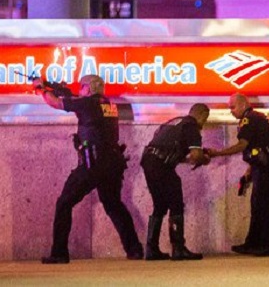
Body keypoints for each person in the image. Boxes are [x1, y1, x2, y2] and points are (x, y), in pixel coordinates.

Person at [32, 75, 143, 264]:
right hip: (112, 163)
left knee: (64, 203)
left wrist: (42, 89)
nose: (80, 91)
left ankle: (59, 253)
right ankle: (135, 249)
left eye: (82, 88)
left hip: (93, 163)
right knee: (113, 204)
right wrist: (62, 91)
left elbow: (57, 103)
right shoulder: (108, 105)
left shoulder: (86, 104)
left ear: (88, 88)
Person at [207, 94, 269, 256]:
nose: (230, 111)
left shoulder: (249, 119)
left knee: (263, 206)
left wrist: (218, 153)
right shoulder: (253, 118)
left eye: (232, 107)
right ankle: (253, 244)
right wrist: (250, 170)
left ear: (243, 104)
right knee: (257, 205)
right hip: (263, 167)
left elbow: (243, 145)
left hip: (268, 168)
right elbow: (256, 146)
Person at [140, 103, 211, 261]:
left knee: (160, 204)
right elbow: (195, 155)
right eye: (205, 120)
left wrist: (190, 158)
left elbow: (169, 151)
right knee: (176, 204)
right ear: (202, 116)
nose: (203, 124)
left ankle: (151, 249)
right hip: (162, 166)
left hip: (149, 161)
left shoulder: (175, 122)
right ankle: (178, 248)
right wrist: (204, 159)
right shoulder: (192, 127)